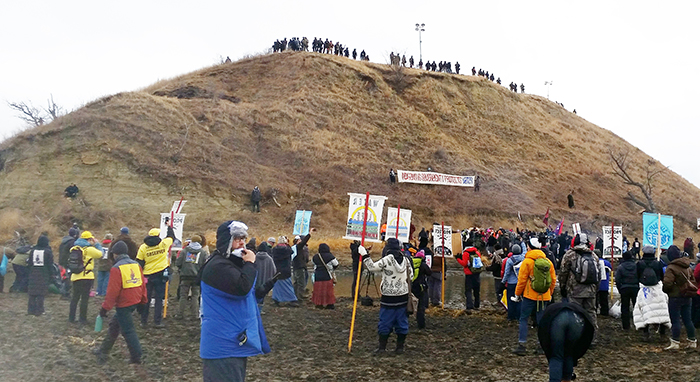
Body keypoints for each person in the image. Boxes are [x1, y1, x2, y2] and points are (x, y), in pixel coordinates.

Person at [200, 221, 270, 381]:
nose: (242, 243)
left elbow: (242, 292)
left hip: (232, 342)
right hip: (223, 344)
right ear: (227, 241)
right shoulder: (218, 266)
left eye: (243, 239)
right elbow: (241, 289)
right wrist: (250, 263)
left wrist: (259, 292)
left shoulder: (227, 264)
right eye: (237, 238)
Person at [93, 241, 148, 364]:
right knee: (114, 325)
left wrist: (104, 309)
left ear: (115, 254)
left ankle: (136, 356)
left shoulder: (116, 269)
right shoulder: (136, 265)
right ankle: (103, 350)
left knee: (128, 330)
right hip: (135, 300)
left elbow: (112, 292)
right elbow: (142, 284)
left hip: (124, 304)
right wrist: (143, 301)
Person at [361, 238, 412, 355]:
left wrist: (364, 255)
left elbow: (372, 267)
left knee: (385, 322)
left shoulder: (387, 259)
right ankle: (400, 348)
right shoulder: (406, 260)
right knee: (402, 323)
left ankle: (382, 348)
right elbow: (411, 276)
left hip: (388, 297)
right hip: (403, 296)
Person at [512, 238, 556, 355]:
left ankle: (522, 346)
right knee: (541, 321)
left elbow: (521, 281)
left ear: (530, 247)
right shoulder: (548, 262)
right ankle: (540, 346)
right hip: (544, 297)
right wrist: (550, 293)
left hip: (529, 296)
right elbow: (553, 280)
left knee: (524, 319)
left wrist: (517, 294)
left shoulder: (527, 262)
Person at [538, 302, 595, 382]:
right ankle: (566, 379)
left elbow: (543, 333)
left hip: (557, 321)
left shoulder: (549, 311)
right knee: (569, 353)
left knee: (556, 356)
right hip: (577, 320)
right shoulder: (576, 308)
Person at [559, 234, 600, 342]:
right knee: (591, 313)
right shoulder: (593, 255)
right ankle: (592, 338)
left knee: (575, 314)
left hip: (575, 290)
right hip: (590, 290)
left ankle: (576, 337)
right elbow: (598, 275)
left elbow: (563, 273)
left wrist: (563, 287)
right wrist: (596, 289)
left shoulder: (569, 255)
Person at [136, 225, 175, 328]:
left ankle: (143, 321)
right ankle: (157, 321)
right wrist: (169, 227)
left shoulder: (143, 247)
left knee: (146, 299)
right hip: (161, 274)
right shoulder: (163, 244)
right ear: (158, 235)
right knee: (159, 299)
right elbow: (171, 237)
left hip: (148, 275)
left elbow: (140, 262)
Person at [661, 245, 697, 350]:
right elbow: (693, 280)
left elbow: (667, 283)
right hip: (687, 296)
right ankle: (692, 340)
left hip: (675, 296)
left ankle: (675, 342)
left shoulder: (671, 268)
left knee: (675, 320)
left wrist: (667, 290)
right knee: (687, 320)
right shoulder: (688, 266)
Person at [634, 245, 669, 341]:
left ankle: (646, 333)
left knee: (643, 311)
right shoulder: (657, 263)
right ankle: (662, 334)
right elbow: (661, 276)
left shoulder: (639, 264)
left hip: (644, 289)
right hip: (657, 288)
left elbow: (637, 276)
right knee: (660, 310)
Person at [69, 231, 103, 324]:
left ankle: (71, 318)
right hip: (86, 276)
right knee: (84, 299)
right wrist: (97, 244)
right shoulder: (89, 249)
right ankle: (82, 319)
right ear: (89, 239)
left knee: (75, 298)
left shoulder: (74, 248)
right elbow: (101, 254)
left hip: (75, 276)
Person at [175, 235, 206, 320]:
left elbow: (178, 263)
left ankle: (180, 314)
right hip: (197, 277)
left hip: (185, 276)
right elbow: (205, 265)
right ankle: (194, 315)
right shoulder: (203, 252)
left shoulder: (185, 251)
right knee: (195, 296)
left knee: (183, 296)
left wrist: (181, 270)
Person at [28, 235, 54, 316]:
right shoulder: (48, 252)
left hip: (33, 272)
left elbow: (29, 263)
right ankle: (40, 310)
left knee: (32, 293)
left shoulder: (33, 250)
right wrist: (52, 274)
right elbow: (50, 264)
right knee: (41, 293)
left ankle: (31, 310)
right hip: (43, 273)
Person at [615, 250, 639, 330]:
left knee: (625, 307)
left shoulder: (621, 267)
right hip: (635, 287)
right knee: (637, 307)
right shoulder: (636, 266)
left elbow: (617, 279)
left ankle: (626, 326)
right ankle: (637, 324)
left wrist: (620, 289)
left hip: (624, 288)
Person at [271, 236, 298, 307]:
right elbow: (292, 251)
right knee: (288, 285)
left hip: (277, 270)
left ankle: (276, 299)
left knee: (277, 286)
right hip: (286, 270)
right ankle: (292, 299)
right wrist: (288, 244)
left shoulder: (274, 250)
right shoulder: (288, 250)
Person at [455, 246, 482, 313]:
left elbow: (464, 264)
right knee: (476, 290)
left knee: (468, 290)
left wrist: (458, 259)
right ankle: (477, 305)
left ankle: (469, 305)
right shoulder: (477, 252)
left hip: (469, 274)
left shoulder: (466, 253)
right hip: (476, 273)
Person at [311, 243, 338, 309]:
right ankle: (330, 304)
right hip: (327, 276)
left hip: (318, 276)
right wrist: (332, 269)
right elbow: (336, 264)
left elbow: (313, 263)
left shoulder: (315, 256)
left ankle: (319, 304)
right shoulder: (330, 256)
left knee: (318, 291)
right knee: (328, 291)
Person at [502, 244, 525, 321]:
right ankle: (518, 316)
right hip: (520, 282)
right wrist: (522, 243)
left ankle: (511, 316)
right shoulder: (523, 258)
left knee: (510, 300)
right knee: (520, 300)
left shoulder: (509, 260)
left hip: (511, 283)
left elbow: (507, 273)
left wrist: (503, 282)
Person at [411, 249, 432, 329]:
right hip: (421, 286)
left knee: (409, 302)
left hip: (412, 286)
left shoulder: (411, 262)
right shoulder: (423, 265)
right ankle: (421, 324)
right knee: (421, 306)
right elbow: (429, 273)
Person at [58, 227, 79, 298]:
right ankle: (65, 293)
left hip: (61, 262)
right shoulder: (72, 242)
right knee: (68, 278)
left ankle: (63, 292)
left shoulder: (63, 241)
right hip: (68, 262)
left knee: (64, 277)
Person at [254, 242, 277, 308]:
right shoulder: (269, 259)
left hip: (255, 281)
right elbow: (274, 270)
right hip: (265, 281)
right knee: (262, 295)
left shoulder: (254, 258)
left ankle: (255, 308)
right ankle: (260, 308)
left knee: (254, 296)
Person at [291, 233, 312, 300]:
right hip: (300, 267)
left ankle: (294, 296)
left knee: (296, 282)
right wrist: (309, 233)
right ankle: (300, 297)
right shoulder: (298, 247)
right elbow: (304, 241)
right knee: (301, 283)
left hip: (295, 267)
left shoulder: (293, 248)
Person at [596, 249, 611, 316]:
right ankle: (605, 312)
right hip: (604, 284)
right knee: (604, 299)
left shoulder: (593, 261)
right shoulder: (606, 262)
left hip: (595, 283)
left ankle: (595, 310)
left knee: (595, 299)